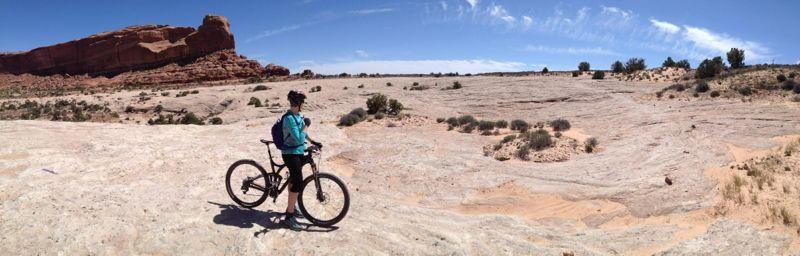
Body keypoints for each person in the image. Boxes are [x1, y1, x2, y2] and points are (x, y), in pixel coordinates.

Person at [282, 90, 321, 230]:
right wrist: (307, 125)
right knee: (298, 181)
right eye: (302, 102)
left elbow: (303, 135)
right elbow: (299, 137)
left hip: (298, 151)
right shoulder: (289, 118)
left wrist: (313, 141)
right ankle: (289, 216)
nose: (303, 105)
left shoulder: (297, 116)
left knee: (293, 179)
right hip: (290, 153)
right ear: (297, 103)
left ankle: (292, 206)